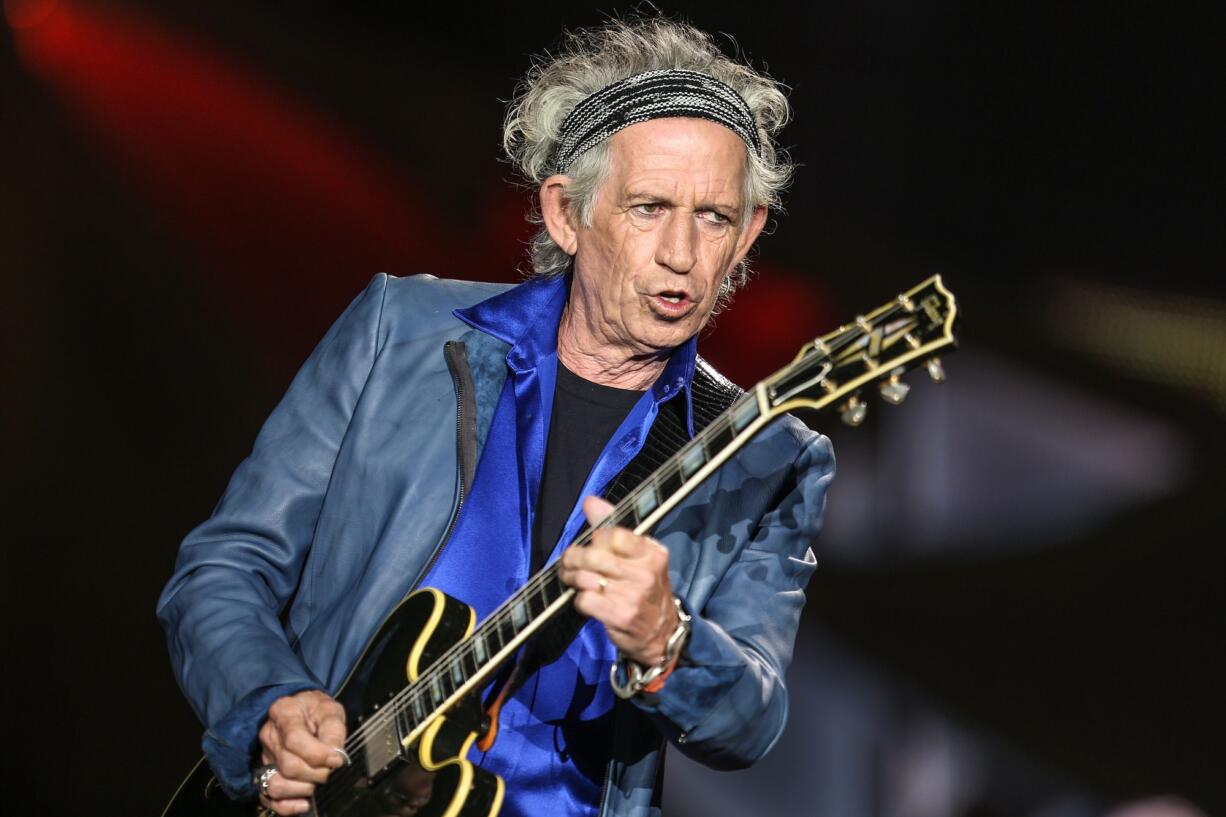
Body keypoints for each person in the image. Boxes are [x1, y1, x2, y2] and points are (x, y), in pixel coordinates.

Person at [158, 16, 834, 817]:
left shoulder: (764, 454)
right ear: (564, 213)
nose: (683, 253)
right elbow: (226, 567)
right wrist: (270, 704)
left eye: (715, 217)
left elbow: (750, 722)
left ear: (749, 231)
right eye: (650, 207)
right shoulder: (398, 331)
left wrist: (666, 643)